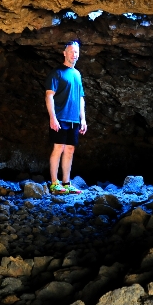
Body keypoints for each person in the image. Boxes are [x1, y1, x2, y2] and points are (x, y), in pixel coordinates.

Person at [45, 40, 87, 195]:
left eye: (76, 52)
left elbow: (81, 98)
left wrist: (83, 119)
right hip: (61, 117)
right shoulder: (57, 73)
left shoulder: (77, 74)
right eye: (71, 51)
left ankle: (66, 183)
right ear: (64, 53)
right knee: (58, 148)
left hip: (74, 119)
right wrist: (52, 118)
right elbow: (49, 95)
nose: (74, 54)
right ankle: (54, 183)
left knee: (69, 149)